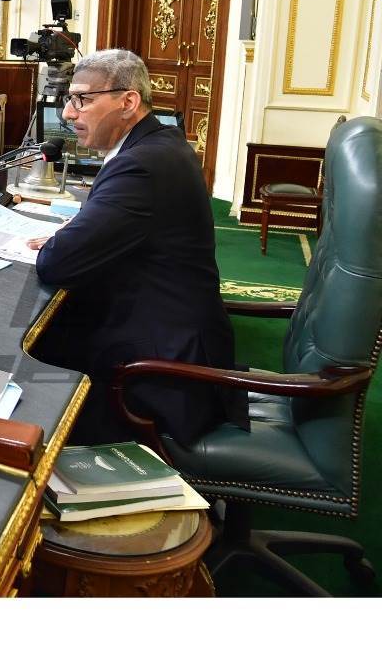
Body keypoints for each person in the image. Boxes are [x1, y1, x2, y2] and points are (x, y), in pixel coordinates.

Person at [29, 49, 240, 446]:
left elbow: (57, 263)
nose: (69, 113)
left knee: (33, 354)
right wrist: (82, 233)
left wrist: (68, 241)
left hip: (161, 375)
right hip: (169, 332)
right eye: (69, 100)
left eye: (82, 99)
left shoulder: (140, 166)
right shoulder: (160, 144)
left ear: (128, 102)